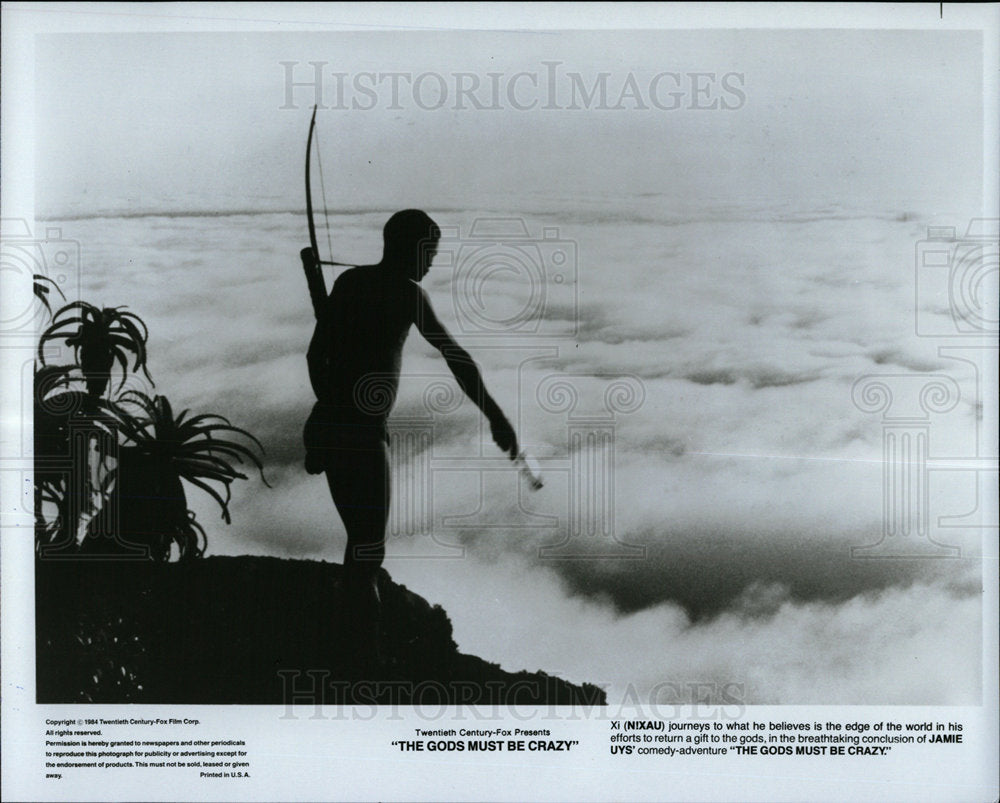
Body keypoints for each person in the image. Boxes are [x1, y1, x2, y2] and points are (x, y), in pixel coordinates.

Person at [304, 209, 519, 619]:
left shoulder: (350, 282)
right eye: (429, 253)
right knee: (368, 549)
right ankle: (360, 653)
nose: (432, 263)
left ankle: (350, 638)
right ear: (409, 249)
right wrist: (496, 415)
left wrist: (326, 411)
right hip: (362, 432)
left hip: (328, 424)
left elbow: (317, 354)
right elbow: (455, 355)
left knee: (360, 542)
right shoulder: (407, 294)